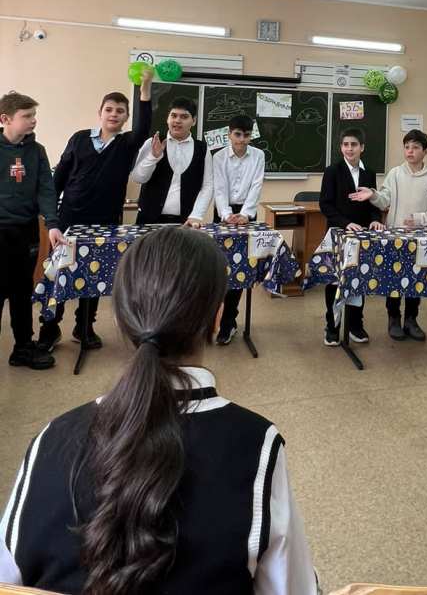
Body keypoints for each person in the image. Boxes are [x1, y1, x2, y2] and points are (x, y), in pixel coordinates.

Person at [0, 226, 317, 595]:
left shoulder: (51, 439)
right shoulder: (258, 444)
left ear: (120, 318)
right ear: (216, 317)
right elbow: (295, 589)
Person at [37, 71, 153, 353]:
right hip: (69, 219)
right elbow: (58, 179)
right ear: (100, 112)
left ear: (126, 117)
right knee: (58, 274)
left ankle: (84, 327)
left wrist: (145, 88)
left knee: (93, 275)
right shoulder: (79, 138)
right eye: (109, 109)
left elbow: (143, 127)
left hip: (104, 222)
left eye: (120, 111)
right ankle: (49, 329)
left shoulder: (127, 143)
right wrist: (51, 217)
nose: (114, 114)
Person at [350, 129, 427, 342]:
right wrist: (373, 195)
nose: (410, 151)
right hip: (395, 238)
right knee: (394, 279)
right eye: (407, 147)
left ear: (425, 151)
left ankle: (411, 320)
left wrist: (421, 218)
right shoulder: (395, 174)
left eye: (415, 147)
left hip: (420, 239)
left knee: (416, 280)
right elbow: (384, 200)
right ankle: (394, 318)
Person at [0, 92, 64, 370]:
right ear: (5, 119)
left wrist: (52, 224)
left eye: (34, 115)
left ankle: (23, 348)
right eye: (26, 116)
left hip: (25, 231)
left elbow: (46, 189)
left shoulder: (36, 151)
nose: (33, 120)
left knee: (22, 291)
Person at [318, 127, 382, 347]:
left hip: (361, 236)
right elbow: (325, 204)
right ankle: (332, 326)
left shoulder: (369, 172)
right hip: (338, 234)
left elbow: (373, 203)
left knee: (359, 278)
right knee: (334, 281)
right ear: (341, 147)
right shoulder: (332, 171)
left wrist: (375, 219)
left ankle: (355, 325)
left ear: (362, 147)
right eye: (345, 144)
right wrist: (346, 223)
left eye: (354, 144)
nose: (349, 148)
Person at [211, 115, 266, 346]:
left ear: (251, 136)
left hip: (246, 215)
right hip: (223, 215)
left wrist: (245, 214)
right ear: (229, 134)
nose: (242, 139)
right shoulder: (218, 157)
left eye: (246, 135)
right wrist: (226, 215)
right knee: (220, 270)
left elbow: (256, 185)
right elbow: (219, 188)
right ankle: (215, 319)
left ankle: (229, 322)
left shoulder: (258, 155)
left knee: (240, 270)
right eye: (237, 134)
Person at [132, 97, 213, 226]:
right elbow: (138, 178)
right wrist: (153, 157)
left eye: (184, 117)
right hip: (148, 220)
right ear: (167, 118)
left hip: (186, 222)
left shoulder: (202, 149)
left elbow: (208, 185)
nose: (177, 121)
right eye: (173, 116)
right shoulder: (153, 142)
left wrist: (197, 215)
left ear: (194, 121)